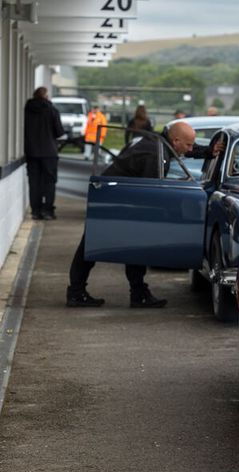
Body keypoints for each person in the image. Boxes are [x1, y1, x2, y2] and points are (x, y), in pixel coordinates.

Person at [66, 122, 209, 308]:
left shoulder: (158, 142)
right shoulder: (155, 153)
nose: (190, 149)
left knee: (125, 244)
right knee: (95, 246)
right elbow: (151, 192)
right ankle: (79, 293)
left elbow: (184, 149)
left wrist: (208, 151)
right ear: (175, 140)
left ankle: (137, 293)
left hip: (112, 195)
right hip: (114, 199)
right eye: (189, 145)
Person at [23, 86, 65, 221]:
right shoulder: (52, 110)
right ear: (46, 96)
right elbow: (59, 132)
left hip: (32, 152)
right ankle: (47, 211)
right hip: (49, 153)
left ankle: (35, 211)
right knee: (49, 182)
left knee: (34, 182)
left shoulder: (27, 110)